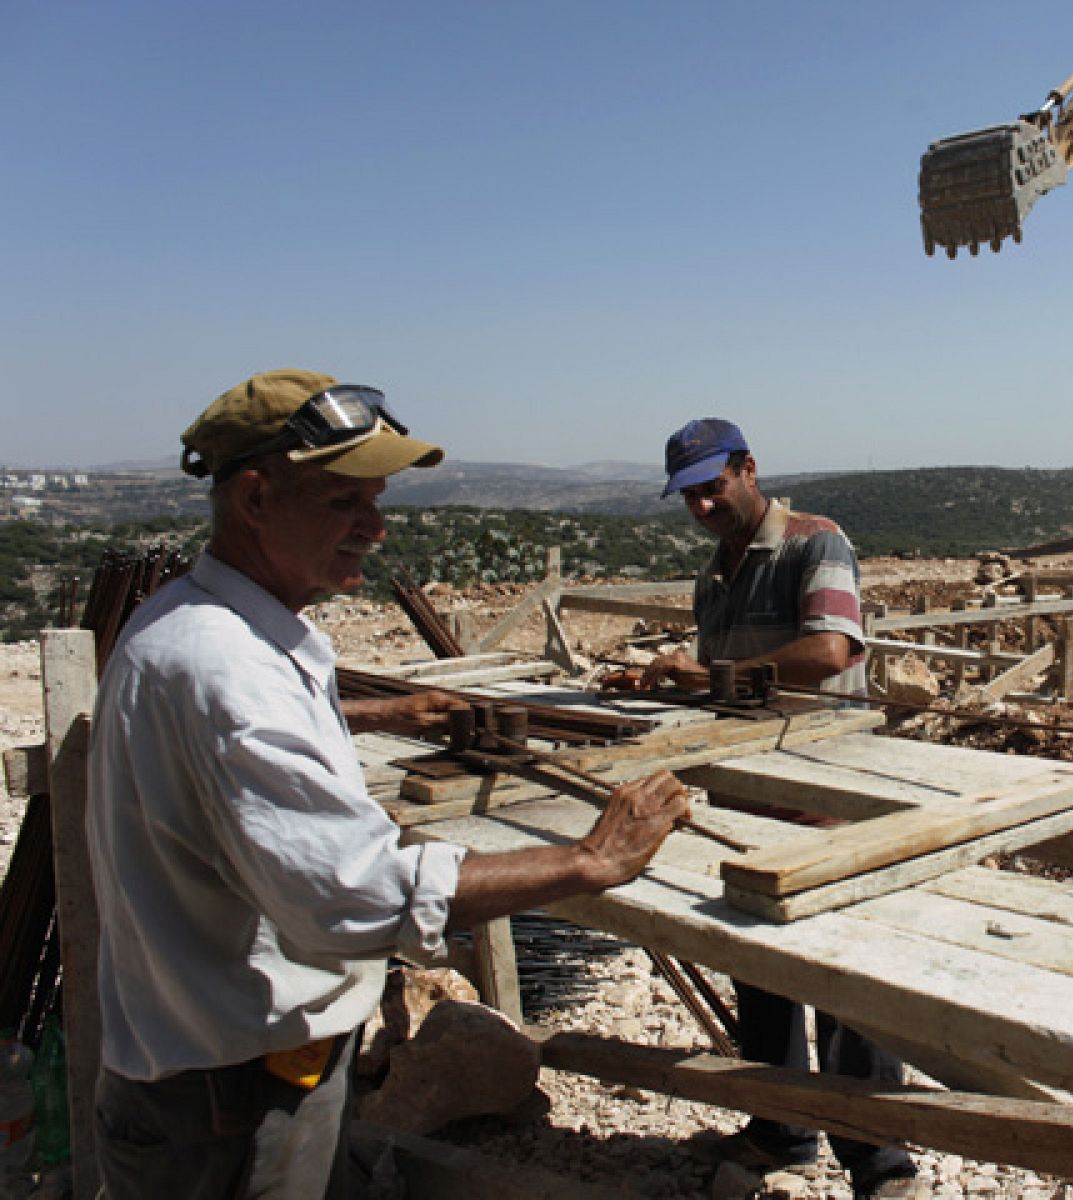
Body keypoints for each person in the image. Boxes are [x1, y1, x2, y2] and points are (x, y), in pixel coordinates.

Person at [86, 370, 690, 1200]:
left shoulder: (196, 625)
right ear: (254, 498)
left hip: (214, 1073)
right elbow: (353, 896)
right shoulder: (224, 668)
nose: (374, 527)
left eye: (375, 501)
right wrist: (589, 861)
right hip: (234, 1101)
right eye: (344, 502)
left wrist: (379, 713)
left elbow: (238, 753)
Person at [639, 418, 929, 1200]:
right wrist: (680, 681)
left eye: (711, 488)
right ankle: (781, 1129)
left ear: (748, 470)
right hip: (749, 802)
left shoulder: (815, 543)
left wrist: (711, 675)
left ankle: (879, 1160)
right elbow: (727, 684)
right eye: (688, 497)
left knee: (843, 982)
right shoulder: (714, 576)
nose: (702, 507)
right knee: (760, 973)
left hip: (826, 799)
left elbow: (830, 652)